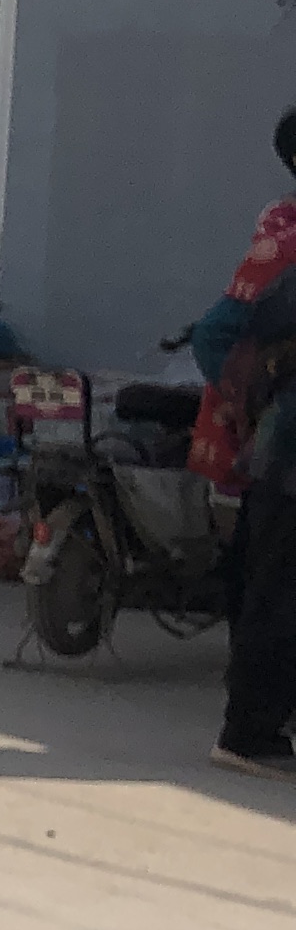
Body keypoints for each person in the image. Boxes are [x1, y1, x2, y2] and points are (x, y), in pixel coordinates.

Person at [189, 103, 296, 773]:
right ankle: (249, 733)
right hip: (287, 454)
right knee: (276, 593)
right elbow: (219, 336)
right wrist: (247, 408)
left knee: (269, 587)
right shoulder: (283, 245)